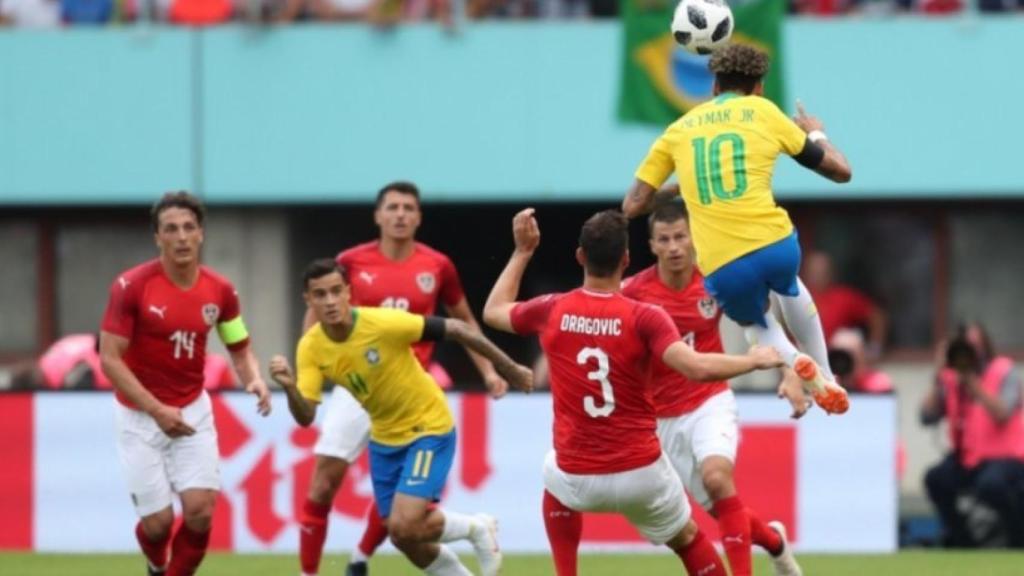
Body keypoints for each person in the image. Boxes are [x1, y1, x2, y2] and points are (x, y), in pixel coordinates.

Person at [483, 208, 783, 576]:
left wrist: (522, 252)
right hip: (640, 472)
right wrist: (752, 360)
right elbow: (695, 366)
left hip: (578, 475)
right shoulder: (645, 316)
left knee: (553, 474)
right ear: (626, 259)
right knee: (688, 539)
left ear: (580, 257)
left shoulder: (554, 308)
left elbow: (494, 311)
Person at [621, 43, 853, 415]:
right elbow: (841, 172)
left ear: (714, 86)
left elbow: (632, 205)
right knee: (788, 285)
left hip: (723, 263)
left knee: (755, 324)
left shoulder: (679, 129)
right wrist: (816, 134)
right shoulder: (764, 111)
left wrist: (684, 185)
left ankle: (797, 364)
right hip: (775, 244)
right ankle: (825, 373)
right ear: (758, 87)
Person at [297, 181, 509, 576]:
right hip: (354, 387)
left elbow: (461, 320)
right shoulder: (350, 262)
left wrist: (489, 371)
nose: (400, 215)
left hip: (409, 386)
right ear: (377, 215)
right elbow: (317, 317)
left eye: (408, 208)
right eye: (392, 207)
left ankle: (360, 558)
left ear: (419, 217)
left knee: (407, 514)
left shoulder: (437, 265)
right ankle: (310, 571)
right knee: (324, 483)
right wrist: (312, 362)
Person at [270, 258, 533, 576]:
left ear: (349, 293)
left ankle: (477, 527)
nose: (329, 302)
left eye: (336, 292)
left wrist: (509, 367)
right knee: (401, 535)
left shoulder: (382, 323)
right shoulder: (311, 348)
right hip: (384, 438)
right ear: (308, 300)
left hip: (427, 427)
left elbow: (459, 328)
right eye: (320, 295)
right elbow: (306, 415)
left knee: (406, 523)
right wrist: (289, 388)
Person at [618, 202, 804, 576]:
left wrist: (792, 374)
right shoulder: (633, 292)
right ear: (652, 245)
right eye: (664, 239)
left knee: (718, 479)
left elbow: (766, 322)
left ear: (692, 238)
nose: (674, 247)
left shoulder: (714, 280)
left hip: (709, 399)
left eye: (680, 237)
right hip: (660, 419)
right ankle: (774, 542)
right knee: (722, 510)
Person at [99, 191, 272, 576]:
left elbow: (239, 347)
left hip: (192, 409)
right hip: (139, 416)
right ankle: (155, 562)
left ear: (201, 235)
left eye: (189, 228)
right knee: (158, 525)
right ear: (157, 238)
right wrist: (157, 410)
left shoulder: (221, 291)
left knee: (200, 512)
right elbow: (109, 359)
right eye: (171, 229)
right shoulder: (132, 286)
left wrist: (255, 379)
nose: (181, 237)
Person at [921, 323, 1024, 548]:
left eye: (974, 346)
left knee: (991, 485)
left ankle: (1017, 540)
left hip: (1007, 458)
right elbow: (927, 416)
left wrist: (972, 383)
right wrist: (938, 373)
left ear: (985, 347)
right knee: (936, 479)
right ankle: (964, 542)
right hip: (968, 459)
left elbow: (1003, 413)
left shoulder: (1002, 370)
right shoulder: (949, 377)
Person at [803, 250, 888, 358]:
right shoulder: (795, 298)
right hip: (803, 363)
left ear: (831, 273)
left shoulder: (844, 297)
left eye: (822, 272)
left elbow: (877, 316)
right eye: (814, 272)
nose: (818, 276)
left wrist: (874, 349)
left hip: (838, 363)